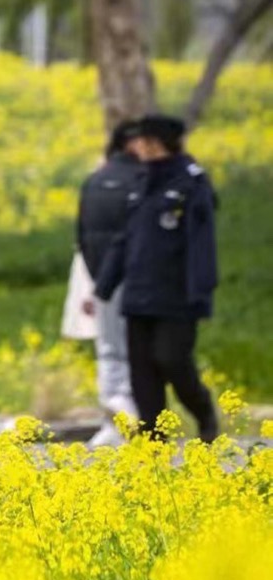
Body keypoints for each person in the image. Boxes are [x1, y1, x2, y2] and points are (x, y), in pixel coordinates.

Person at [93, 114, 219, 441]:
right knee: (143, 372)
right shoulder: (142, 181)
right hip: (139, 293)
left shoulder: (190, 183)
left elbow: (201, 241)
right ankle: (153, 441)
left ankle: (203, 412)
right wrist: (104, 286)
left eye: (143, 140)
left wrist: (201, 291)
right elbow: (126, 237)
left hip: (176, 295)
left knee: (172, 359)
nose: (137, 146)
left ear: (158, 143)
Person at [76, 121, 141, 443]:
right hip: (139, 281)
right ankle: (129, 414)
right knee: (137, 350)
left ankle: (112, 421)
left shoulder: (93, 182)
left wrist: (96, 280)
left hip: (103, 279)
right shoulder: (143, 180)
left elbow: (82, 236)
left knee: (108, 350)